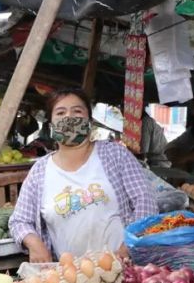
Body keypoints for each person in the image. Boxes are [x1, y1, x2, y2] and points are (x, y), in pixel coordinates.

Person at [9, 87, 157, 263]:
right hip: (72, 278)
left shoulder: (115, 155)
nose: (69, 118)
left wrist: (129, 247)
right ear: (50, 125)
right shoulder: (40, 171)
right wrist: (34, 243)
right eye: (60, 112)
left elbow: (145, 200)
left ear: (90, 120)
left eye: (77, 111)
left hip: (125, 268)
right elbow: (19, 221)